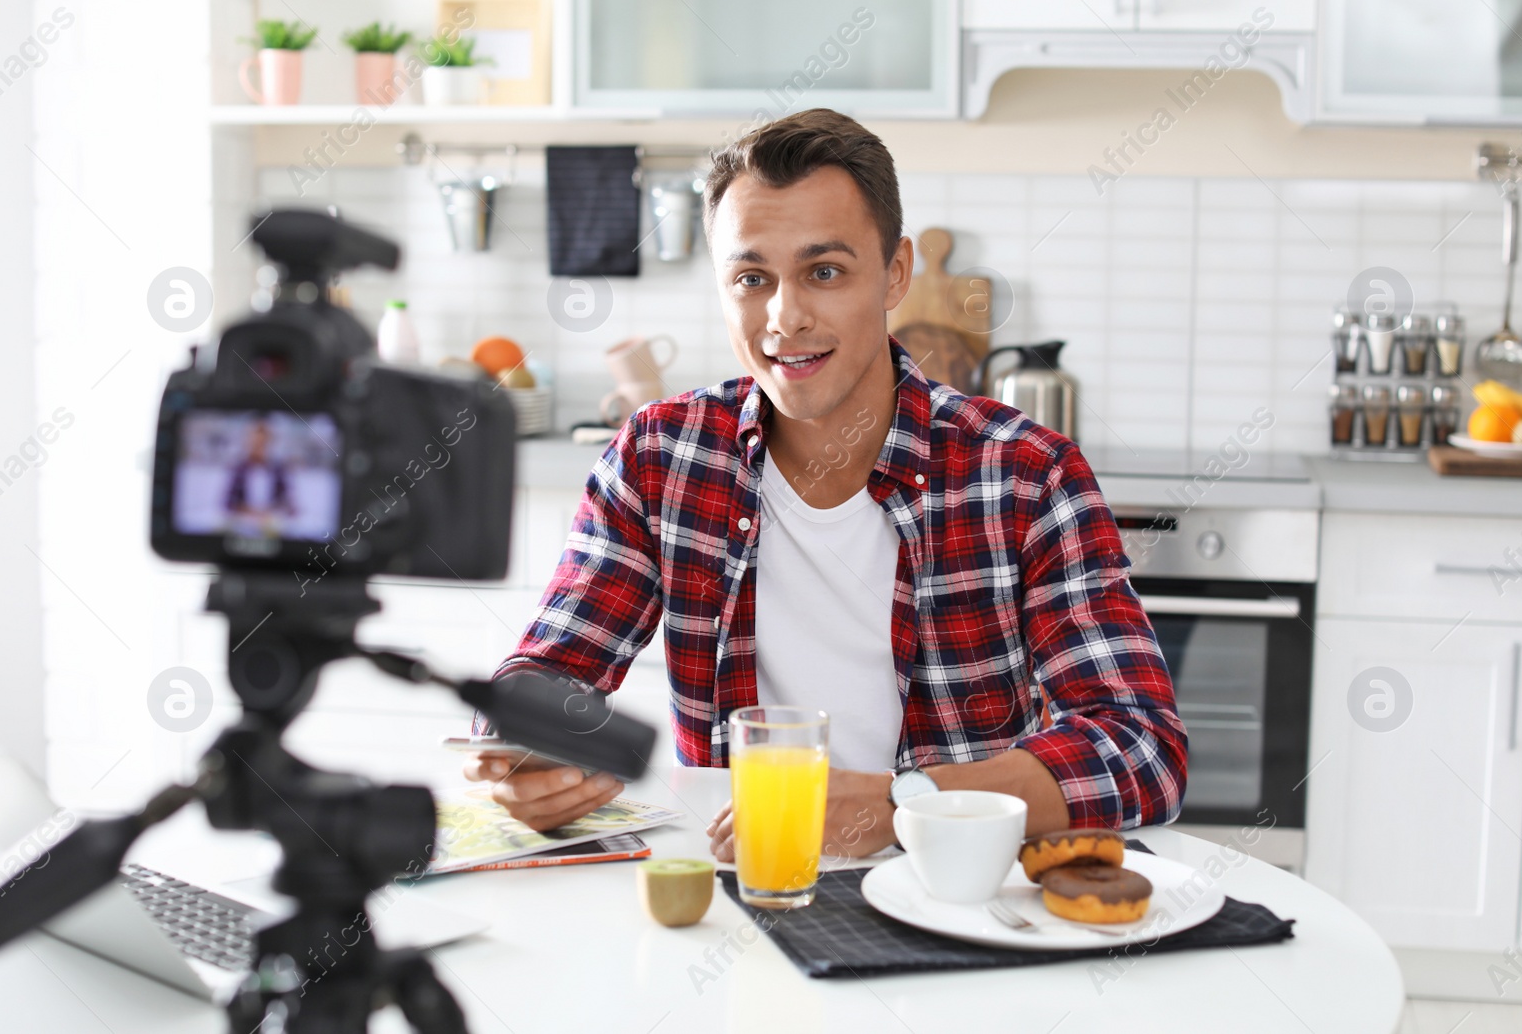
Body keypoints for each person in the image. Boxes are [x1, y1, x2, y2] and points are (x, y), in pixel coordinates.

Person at [465, 109, 1186, 859]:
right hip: (737, 888)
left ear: (895, 273)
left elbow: (1142, 747)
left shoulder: (1025, 473)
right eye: (752, 278)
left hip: (950, 898)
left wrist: (908, 803)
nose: (785, 317)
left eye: (825, 271)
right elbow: (550, 667)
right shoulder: (661, 455)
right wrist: (522, 747)